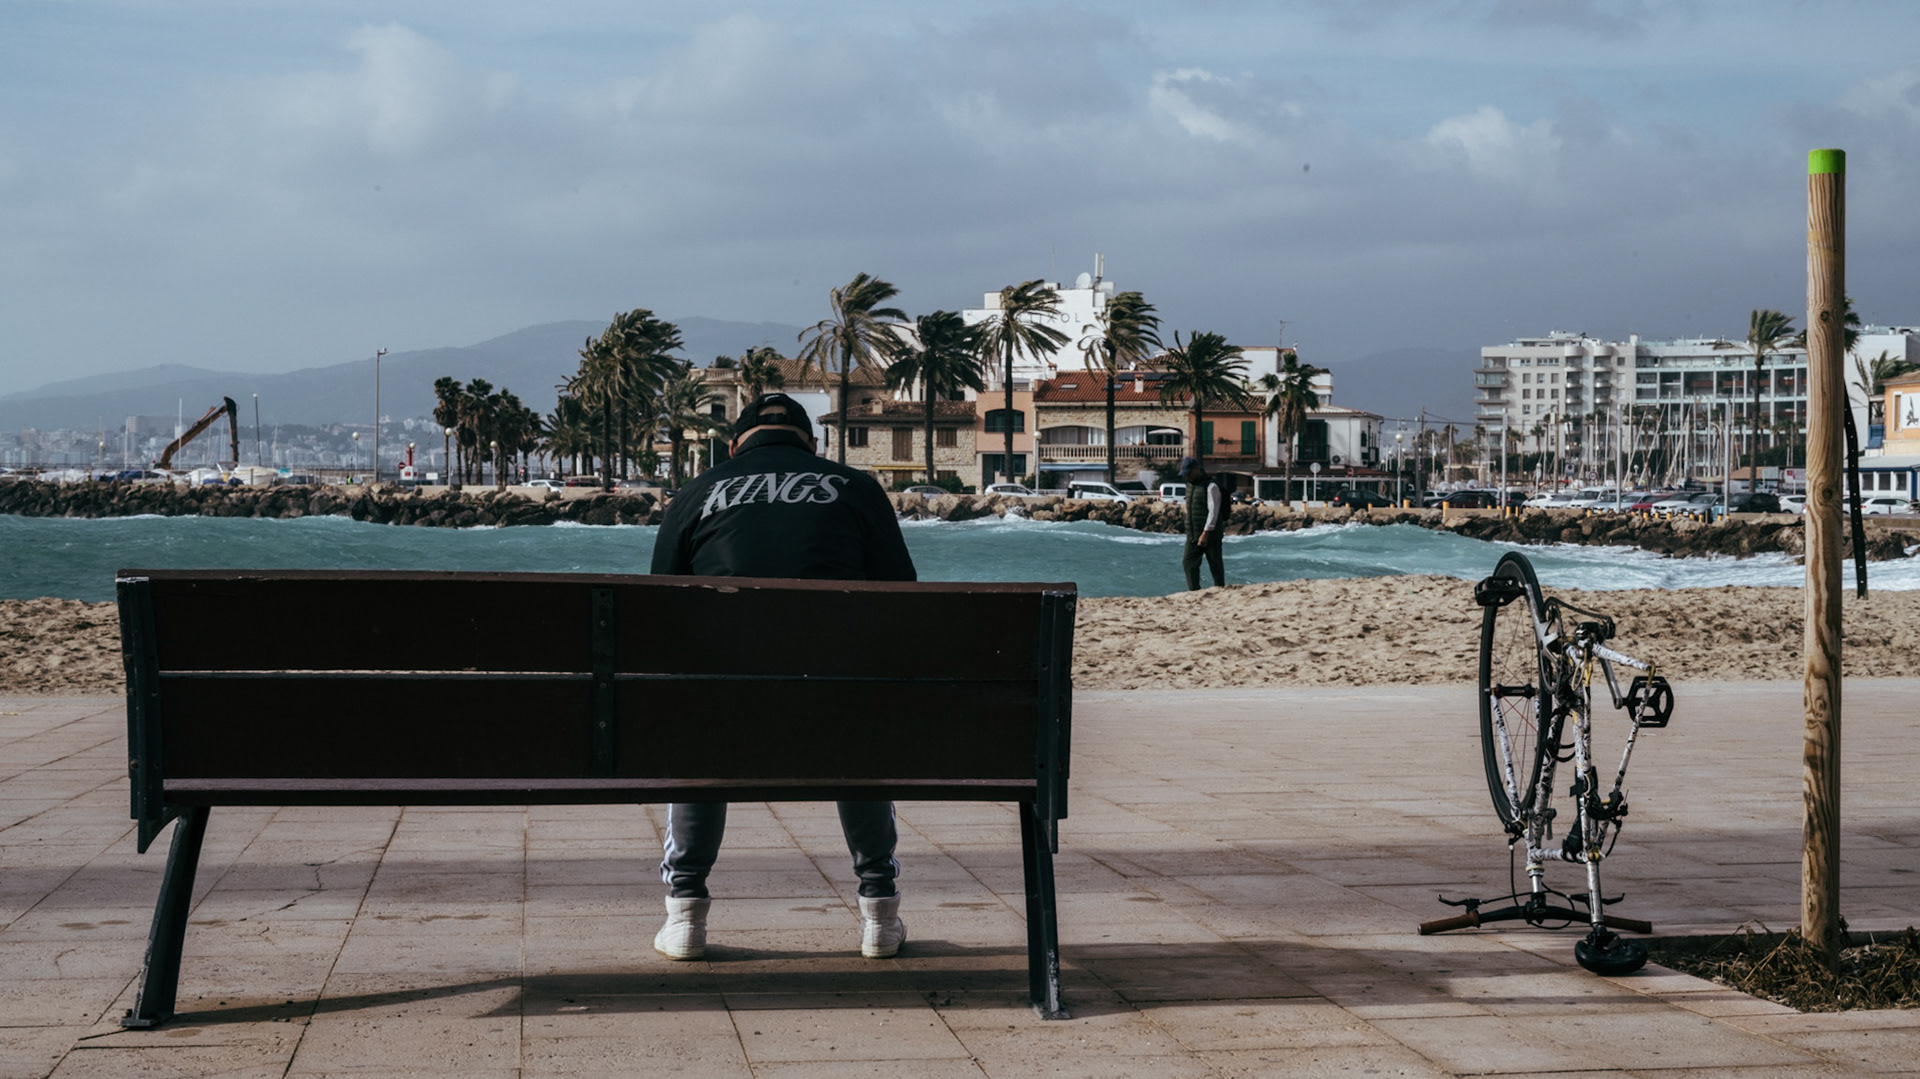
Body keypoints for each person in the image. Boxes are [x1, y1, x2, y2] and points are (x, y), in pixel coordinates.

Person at [648, 392, 916, 962]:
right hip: (834, 709)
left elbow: (660, 609)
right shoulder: (858, 489)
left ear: (732, 446)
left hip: (725, 710)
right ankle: (880, 912)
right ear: (812, 445)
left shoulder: (695, 493)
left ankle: (686, 914)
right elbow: (902, 601)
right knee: (861, 738)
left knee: (696, 732)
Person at [1179, 456, 1226, 590]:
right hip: (1193, 534)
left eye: (1188, 473)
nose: (1187, 476)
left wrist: (1206, 533)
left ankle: (1220, 589)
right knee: (1188, 563)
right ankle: (1194, 591)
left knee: (1215, 564)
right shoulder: (1189, 485)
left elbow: (1214, 511)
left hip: (1210, 534)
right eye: (1185, 474)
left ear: (1196, 469)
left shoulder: (1211, 486)